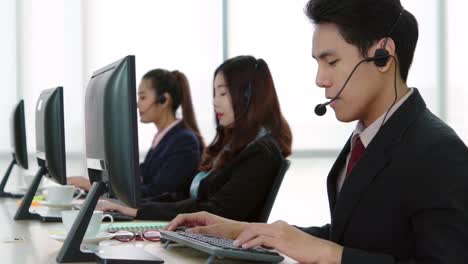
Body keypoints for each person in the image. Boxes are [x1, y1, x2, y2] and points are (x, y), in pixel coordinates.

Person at [165, 0, 468, 263]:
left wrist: (330, 255)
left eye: (331, 61)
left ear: (383, 55)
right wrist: (244, 231)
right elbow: (352, 237)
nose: (320, 80)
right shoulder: (366, 137)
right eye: (318, 63)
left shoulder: (438, 151)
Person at [96, 55, 293, 221]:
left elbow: (216, 212)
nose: (215, 102)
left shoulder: (261, 153)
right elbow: (185, 197)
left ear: (249, 97)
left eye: (223, 93)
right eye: (215, 93)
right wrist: (133, 207)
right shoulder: (232, 146)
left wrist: (139, 211)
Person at [68, 69, 204, 199]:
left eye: (143, 97)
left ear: (164, 100)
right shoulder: (164, 139)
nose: (137, 104)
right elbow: (139, 176)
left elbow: (157, 192)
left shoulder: (184, 141)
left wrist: (95, 187)